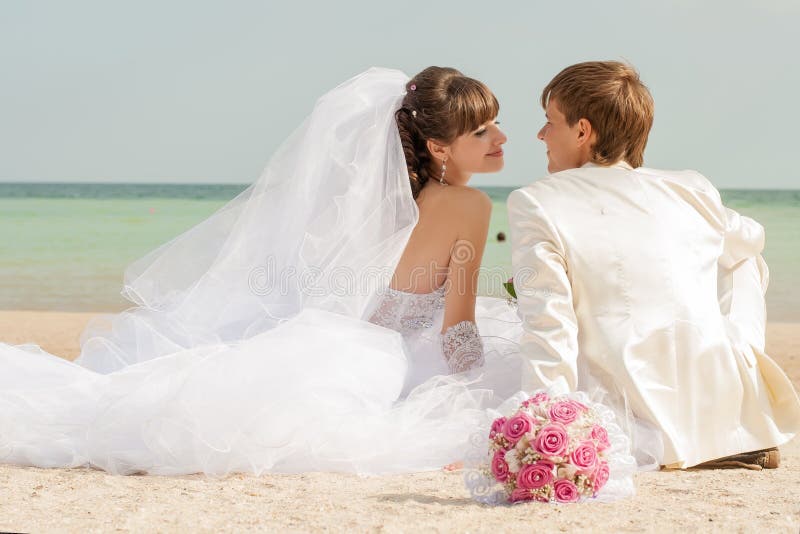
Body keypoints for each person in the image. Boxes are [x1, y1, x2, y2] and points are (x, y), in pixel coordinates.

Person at [0, 67, 523, 476]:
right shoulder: (470, 205)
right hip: (384, 360)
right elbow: (457, 326)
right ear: (437, 147)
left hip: (339, 342)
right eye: (481, 130)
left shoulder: (385, 203)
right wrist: (471, 392)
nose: (500, 136)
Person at [507, 60, 800, 470]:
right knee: (743, 258)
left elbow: (549, 324)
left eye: (549, 121)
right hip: (717, 402)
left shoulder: (536, 201)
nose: (540, 134)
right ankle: (733, 407)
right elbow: (752, 238)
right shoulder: (688, 187)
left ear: (582, 131)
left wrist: (545, 428)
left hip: (633, 412)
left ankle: (673, 425)